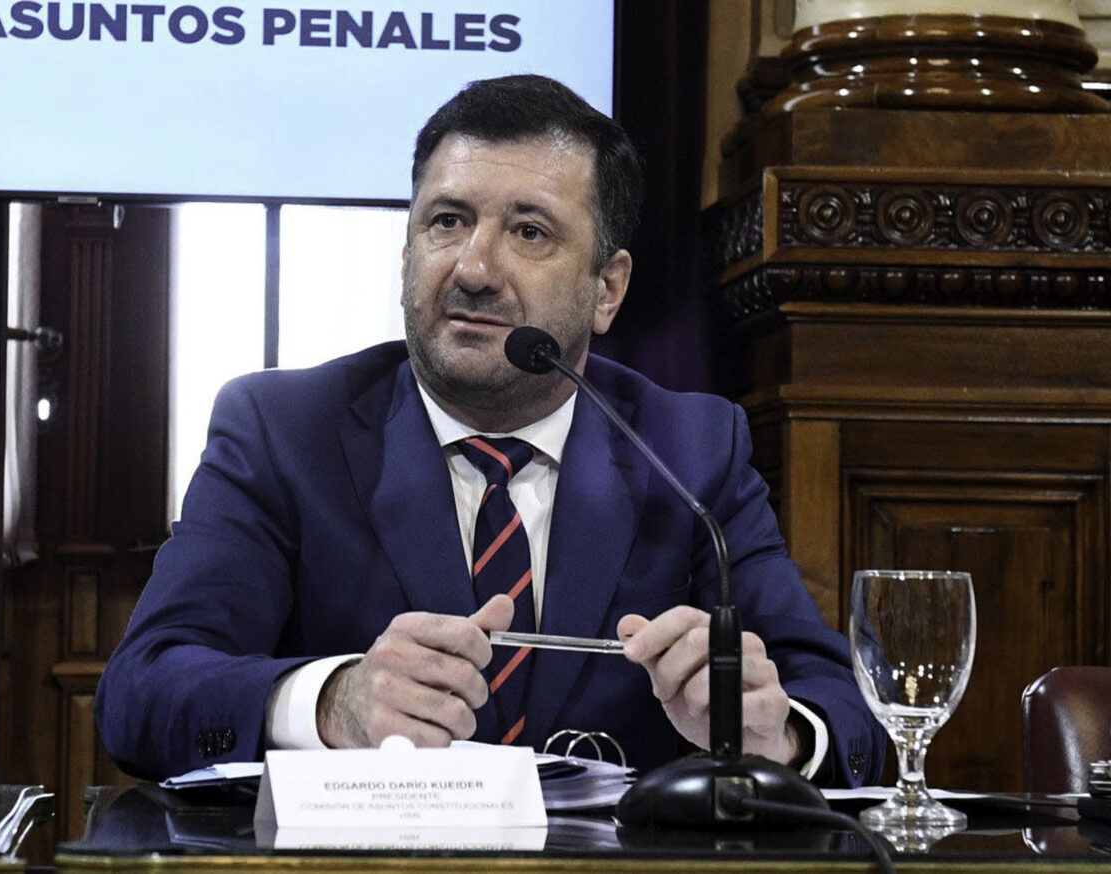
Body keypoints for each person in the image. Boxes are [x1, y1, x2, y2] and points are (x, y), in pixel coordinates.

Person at [95, 74, 883, 785]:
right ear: (407, 252)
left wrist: (773, 734)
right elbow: (141, 693)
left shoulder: (691, 449)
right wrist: (333, 702)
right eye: (447, 221)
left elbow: (849, 719)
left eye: (529, 232)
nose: (473, 268)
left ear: (607, 290)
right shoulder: (283, 432)